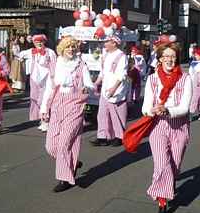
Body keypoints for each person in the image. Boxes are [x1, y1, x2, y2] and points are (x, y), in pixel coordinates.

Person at [142, 40, 192, 213]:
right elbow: (146, 106)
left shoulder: (186, 79)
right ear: (160, 59)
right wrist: (151, 111)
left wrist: (168, 110)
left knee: (174, 166)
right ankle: (162, 204)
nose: (170, 60)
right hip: (159, 126)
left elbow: (185, 107)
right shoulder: (152, 79)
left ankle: (166, 186)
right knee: (162, 164)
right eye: (166, 56)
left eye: (173, 56)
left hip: (179, 126)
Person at [41, 36, 95, 192]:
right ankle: (72, 162)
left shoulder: (81, 65)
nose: (71, 50)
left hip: (75, 105)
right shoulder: (55, 65)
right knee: (51, 146)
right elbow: (49, 89)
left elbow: (89, 83)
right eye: (68, 47)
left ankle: (65, 179)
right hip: (57, 104)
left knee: (65, 143)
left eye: (73, 47)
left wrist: (87, 88)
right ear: (61, 50)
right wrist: (44, 108)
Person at [91, 35, 128, 147]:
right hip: (105, 89)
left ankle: (119, 137)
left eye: (107, 42)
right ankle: (102, 137)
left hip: (116, 91)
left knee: (117, 114)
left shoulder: (121, 56)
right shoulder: (106, 55)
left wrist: (114, 88)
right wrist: (96, 83)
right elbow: (103, 73)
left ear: (114, 43)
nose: (105, 44)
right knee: (102, 114)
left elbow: (122, 75)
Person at [20, 34, 56, 131]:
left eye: (41, 41)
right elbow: (19, 54)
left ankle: (46, 120)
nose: (39, 43)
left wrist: (53, 79)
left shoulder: (50, 52)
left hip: (46, 79)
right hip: (34, 79)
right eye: (37, 42)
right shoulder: (31, 52)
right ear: (34, 43)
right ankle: (42, 119)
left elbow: (54, 65)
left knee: (44, 100)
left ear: (44, 42)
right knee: (35, 98)